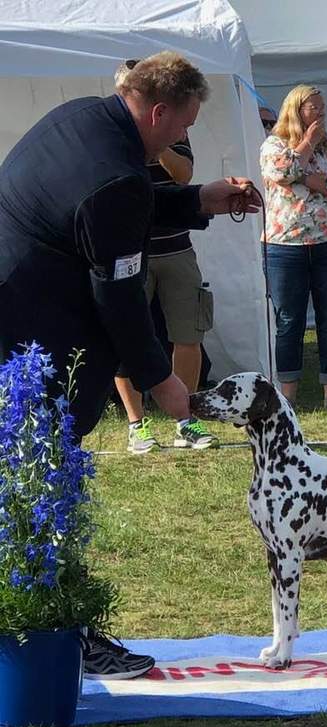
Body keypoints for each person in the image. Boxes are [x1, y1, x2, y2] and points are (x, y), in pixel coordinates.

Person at [0, 51, 260, 679]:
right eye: (182, 126)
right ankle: (62, 633)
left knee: (27, 485)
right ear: (158, 110)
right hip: (37, 341)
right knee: (43, 487)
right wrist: (160, 379)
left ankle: (49, 625)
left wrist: (199, 199)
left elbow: (123, 204)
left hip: (17, 311)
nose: (181, 138)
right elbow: (119, 294)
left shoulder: (84, 118)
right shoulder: (113, 175)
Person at [112, 60, 218, 453]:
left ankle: (185, 420)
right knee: (124, 335)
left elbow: (184, 175)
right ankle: (136, 424)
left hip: (176, 249)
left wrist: (156, 145)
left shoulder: (172, 126)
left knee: (188, 334)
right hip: (130, 250)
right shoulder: (113, 133)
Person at [260, 85, 327, 410]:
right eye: (313, 107)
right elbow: (281, 170)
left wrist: (302, 176)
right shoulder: (273, 145)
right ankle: (288, 394)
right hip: (286, 245)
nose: (321, 112)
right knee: (289, 319)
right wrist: (308, 146)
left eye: (323, 107)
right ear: (296, 110)